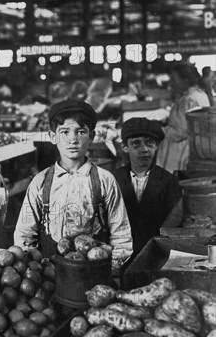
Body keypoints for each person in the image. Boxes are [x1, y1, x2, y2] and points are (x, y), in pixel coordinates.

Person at [14, 99, 132, 271]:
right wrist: (33, 268)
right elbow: (24, 234)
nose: (72, 139)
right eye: (64, 132)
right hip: (50, 271)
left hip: (94, 271)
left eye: (80, 132)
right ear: (52, 137)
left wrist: (113, 267)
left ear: (91, 136)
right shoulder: (40, 182)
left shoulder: (105, 180)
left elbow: (121, 234)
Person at [114, 118, 181, 255]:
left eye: (150, 143)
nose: (144, 149)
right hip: (121, 254)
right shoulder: (113, 180)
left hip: (158, 254)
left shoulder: (169, 182)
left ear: (156, 146)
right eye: (136, 144)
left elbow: (172, 227)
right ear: (125, 147)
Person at [156, 63, 210, 172]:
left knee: (174, 184)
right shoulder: (200, 95)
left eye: (174, 80)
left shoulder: (189, 100)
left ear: (185, 81)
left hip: (179, 154)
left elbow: (180, 132)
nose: (171, 84)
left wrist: (159, 130)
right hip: (189, 151)